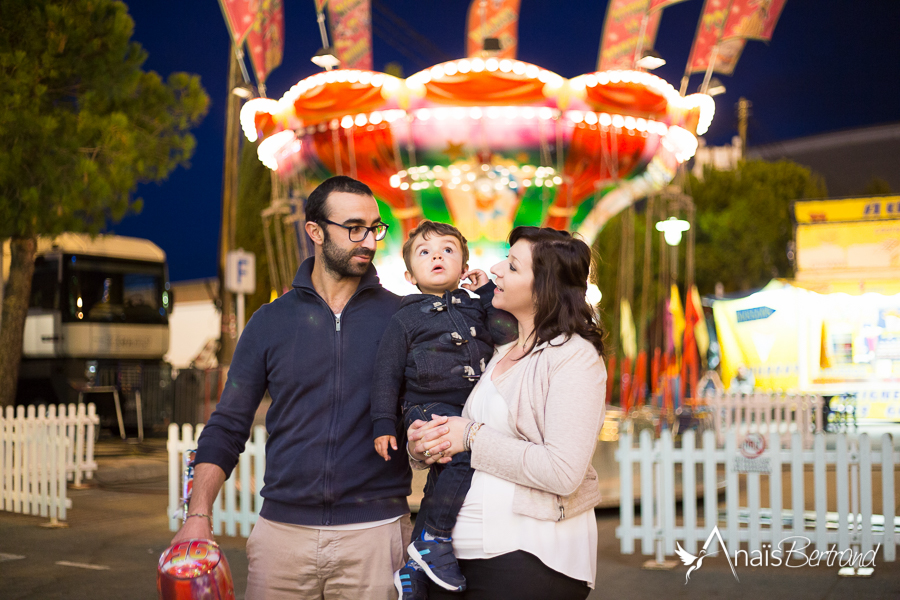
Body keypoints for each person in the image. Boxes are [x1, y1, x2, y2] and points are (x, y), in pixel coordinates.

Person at [171, 176, 412, 600]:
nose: (369, 241)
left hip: (374, 535)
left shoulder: (402, 317)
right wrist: (198, 514)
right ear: (315, 232)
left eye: (375, 228)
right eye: (354, 228)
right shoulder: (269, 321)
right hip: (281, 536)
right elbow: (227, 425)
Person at [407, 226, 608, 600]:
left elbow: (563, 471)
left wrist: (470, 436)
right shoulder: (500, 350)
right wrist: (426, 445)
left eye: (513, 266)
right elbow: (462, 430)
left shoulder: (573, 356)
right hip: (457, 554)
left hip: (528, 555)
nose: (497, 268)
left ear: (543, 286)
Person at [368, 220, 517, 599]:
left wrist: (485, 292)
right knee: (466, 455)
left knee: (445, 478)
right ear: (408, 274)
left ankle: (416, 566)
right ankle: (434, 538)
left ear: (464, 265)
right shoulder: (404, 318)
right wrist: (384, 422)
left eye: (448, 250)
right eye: (425, 251)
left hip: (467, 409)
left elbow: (504, 332)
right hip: (426, 406)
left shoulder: (474, 308)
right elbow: (386, 372)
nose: (437, 255)